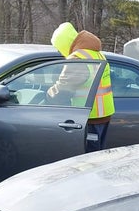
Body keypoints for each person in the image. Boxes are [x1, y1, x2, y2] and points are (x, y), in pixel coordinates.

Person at [48, 22, 114, 152]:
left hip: (88, 118)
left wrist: (48, 94)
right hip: (102, 115)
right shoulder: (96, 54)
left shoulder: (77, 58)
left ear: (63, 44)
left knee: (87, 161)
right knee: (97, 156)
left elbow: (63, 89)